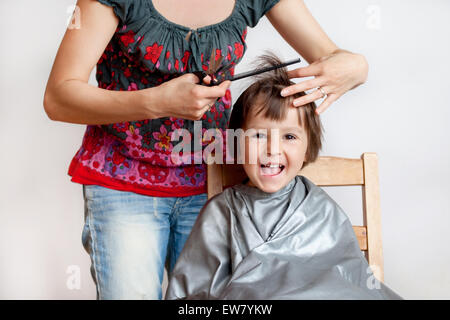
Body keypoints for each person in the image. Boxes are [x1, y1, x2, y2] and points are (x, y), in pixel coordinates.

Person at [43, 0, 369, 300]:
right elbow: (58, 99)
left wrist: (356, 67)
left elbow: (335, 59)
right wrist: (156, 102)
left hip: (213, 183)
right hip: (124, 181)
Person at [165, 53, 402, 300]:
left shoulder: (320, 208)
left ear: (308, 147)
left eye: (289, 137)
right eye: (258, 136)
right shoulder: (223, 213)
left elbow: (353, 280)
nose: (273, 150)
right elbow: (190, 294)